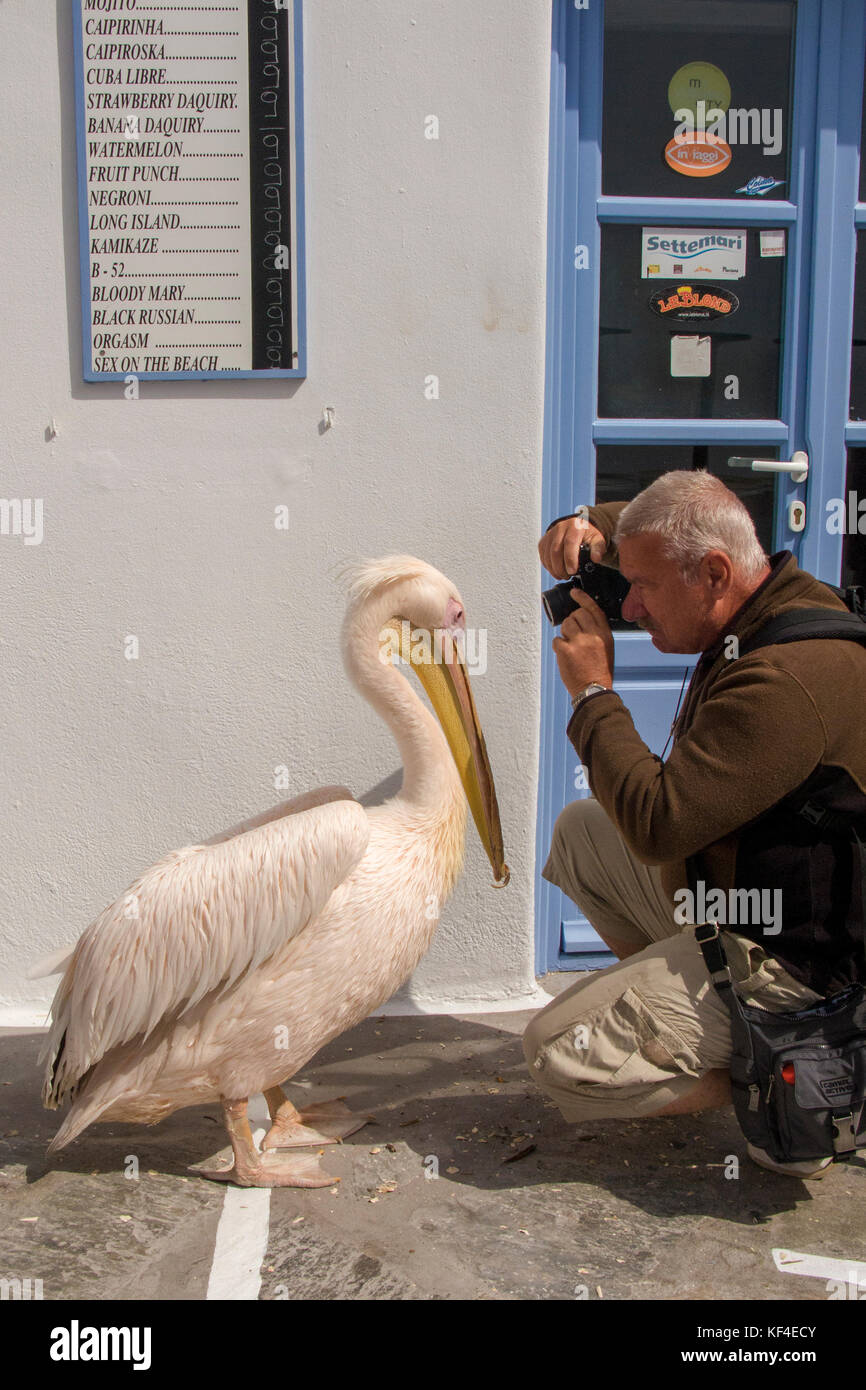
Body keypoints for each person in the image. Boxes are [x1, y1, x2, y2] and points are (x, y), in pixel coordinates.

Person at [524, 470, 866, 1177]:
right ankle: (694, 1021)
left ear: (714, 574)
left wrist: (593, 693)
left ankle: (800, 1086)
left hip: (798, 960)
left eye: (643, 587)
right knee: (585, 833)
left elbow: (658, 825)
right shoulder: (761, 590)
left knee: (557, 1052)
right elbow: (680, 516)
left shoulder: (785, 678)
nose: (633, 605)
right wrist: (590, 523)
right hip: (737, 900)